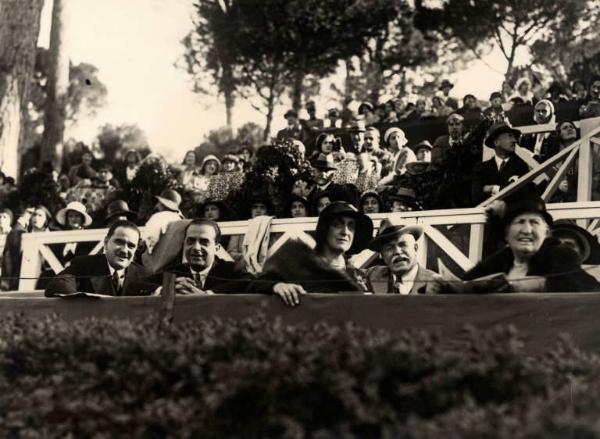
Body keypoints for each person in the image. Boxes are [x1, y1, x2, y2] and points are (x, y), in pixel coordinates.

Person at [461, 198, 600, 292]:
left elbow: (589, 289)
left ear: (546, 232)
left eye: (534, 222)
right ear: (507, 233)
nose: (527, 230)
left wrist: (538, 284)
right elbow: (467, 282)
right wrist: (446, 285)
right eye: (520, 222)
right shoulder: (501, 259)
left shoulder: (560, 254)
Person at [249, 201, 373, 305]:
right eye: (337, 225)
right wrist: (277, 286)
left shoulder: (358, 277)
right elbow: (254, 285)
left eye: (351, 226)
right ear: (325, 228)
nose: (345, 232)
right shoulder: (298, 263)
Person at [45, 220, 154, 297]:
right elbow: (57, 284)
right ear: (106, 243)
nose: (125, 250)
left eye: (131, 246)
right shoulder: (85, 265)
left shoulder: (143, 274)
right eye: (119, 242)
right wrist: (86, 302)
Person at [146, 219, 253, 294]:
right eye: (190, 241)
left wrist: (207, 295)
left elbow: (250, 282)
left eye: (204, 242)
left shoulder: (231, 270)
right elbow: (136, 285)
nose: (196, 247)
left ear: (216, 247)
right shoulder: (174, 272)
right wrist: (167, 289)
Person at [366, 218, 440, 295]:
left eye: (403, 244)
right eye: (389, 248)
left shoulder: (437, 284)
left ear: (415, 248)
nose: (397, 251)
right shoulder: (372, 275)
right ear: (382, 255)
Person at [471, 123, 530, 204]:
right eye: (509, 136)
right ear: (496, 142)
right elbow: (476, 196)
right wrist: (507, 187)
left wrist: (492, 188)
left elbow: (522, 194)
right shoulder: (481, 167)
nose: (514, 140)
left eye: (514, 137)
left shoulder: (521, 165)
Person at [51, 201, 95, 266]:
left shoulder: (88, 237)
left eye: (77, 216)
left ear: (82, 218)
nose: (73, 219)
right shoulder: (62, 237)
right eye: (70, 216)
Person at [0, 206, 33, 291]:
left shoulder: (14, 234)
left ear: (10, 220)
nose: (1, 219)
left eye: (4, 217)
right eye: (0, 216)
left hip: (11, 269)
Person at [143, 189, 185, 254]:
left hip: (157, 256)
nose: (157, 205)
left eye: (159, 203)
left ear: (162, 204)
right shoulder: (180, 219)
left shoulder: (158, 217)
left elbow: (150, 239)